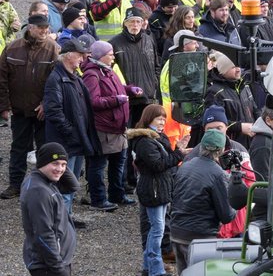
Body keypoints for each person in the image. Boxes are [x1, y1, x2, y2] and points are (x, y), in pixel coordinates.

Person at [0, 13, 61, 199]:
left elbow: (55, 81)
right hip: (19, 110)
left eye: (47, 27)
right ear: (30, 28)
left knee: (45, 148)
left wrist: (45, 104)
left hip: (43, 111)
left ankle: (44, 185)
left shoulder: (53, 49)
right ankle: (15, 185)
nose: (45, 31)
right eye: (41, 27)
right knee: (18, 147)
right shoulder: (12, 49)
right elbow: (1, 80)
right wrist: (4, 106)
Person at [41, 38, 100, 213]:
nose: (83, 59)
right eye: (80, 55)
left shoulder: (73, 77)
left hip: (76, 140)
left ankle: (67, 217)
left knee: (72, 183)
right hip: (67, 141)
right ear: (68, 56)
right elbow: (53, 111)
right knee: (64, 184)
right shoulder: (56, 79)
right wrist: (71, 132)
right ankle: (62, 220)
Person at [82, 40, 142, 210]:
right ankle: (98, 199)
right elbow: (93, 101)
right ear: (101, 56)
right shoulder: (92, 75)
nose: (113, 57)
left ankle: (117, 194)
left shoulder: (107, 70)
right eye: (110, 54)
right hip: (104, 129)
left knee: (119, 163)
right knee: (99, 165)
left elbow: (117, 88)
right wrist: (116, 100)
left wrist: (129, 90)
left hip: (118, 128)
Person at [169, 129, 240, 272]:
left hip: (176, 232)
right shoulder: (217, 174)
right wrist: (237, 205)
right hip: (199, 238)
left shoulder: (185, 165)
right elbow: (226, 216)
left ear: (201, 146)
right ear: (220, 150)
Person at [127, 104, 184, 276]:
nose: (162, 122)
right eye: (159, 118)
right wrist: (179, 154)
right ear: (148, 118)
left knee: (155, 228)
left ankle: (148, 266)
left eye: (163, 119)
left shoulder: (157, 137)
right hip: (153, 190)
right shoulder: (145, 141)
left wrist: (177, 151)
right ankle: (155, 269)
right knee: (157, 229)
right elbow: (158, 164)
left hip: (158, 188)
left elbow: (164, 160)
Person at [21, 142, 77, 276]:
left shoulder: (44, 180)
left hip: (52, 262)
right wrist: (58, 269)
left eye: (63, 164)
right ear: (42, 163)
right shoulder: (39, 191)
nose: (60, 168)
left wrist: (59, 164)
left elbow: (72, 186)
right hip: (48, 267)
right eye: (55, 163)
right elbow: (43, 234)